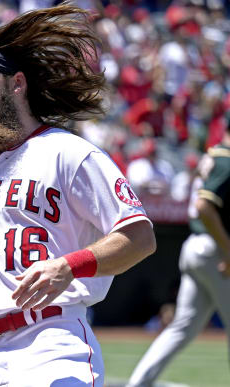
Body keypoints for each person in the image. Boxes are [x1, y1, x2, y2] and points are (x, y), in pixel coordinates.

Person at [0, 3, 156, 386]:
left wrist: (69, 265)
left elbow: (140, 238)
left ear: (17, 84)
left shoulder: (70, 152)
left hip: (50, 344)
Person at [126, 123, 230, 387]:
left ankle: (137, 384)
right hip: (215, 250)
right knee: (182, 327)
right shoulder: (226, 158)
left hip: (195, 245)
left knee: (182, 327)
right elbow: (204, 206)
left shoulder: (214, 154)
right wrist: (228, 251)